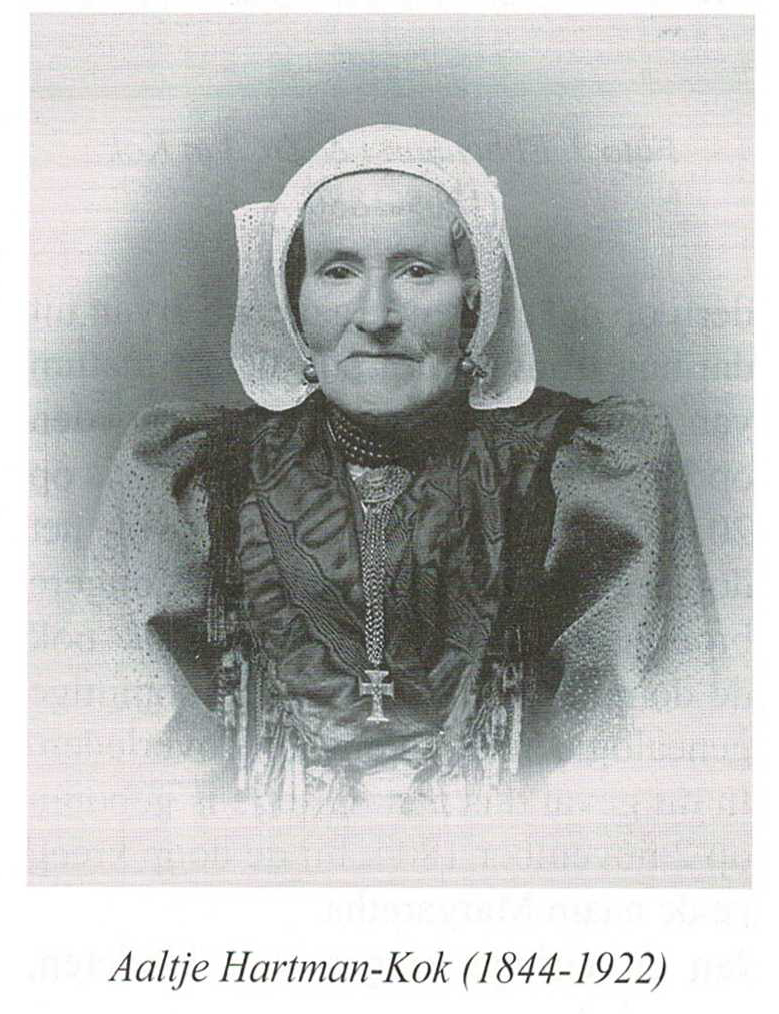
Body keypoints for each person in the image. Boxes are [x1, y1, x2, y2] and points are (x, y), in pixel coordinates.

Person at [92, 125, 717, 810]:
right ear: (294, 299)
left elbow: (643, 766)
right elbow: (127, 769)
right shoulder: (196, 480)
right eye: (338, 271)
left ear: (473, 295)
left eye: (416, 271)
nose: (375, 315)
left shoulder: (584, 474)